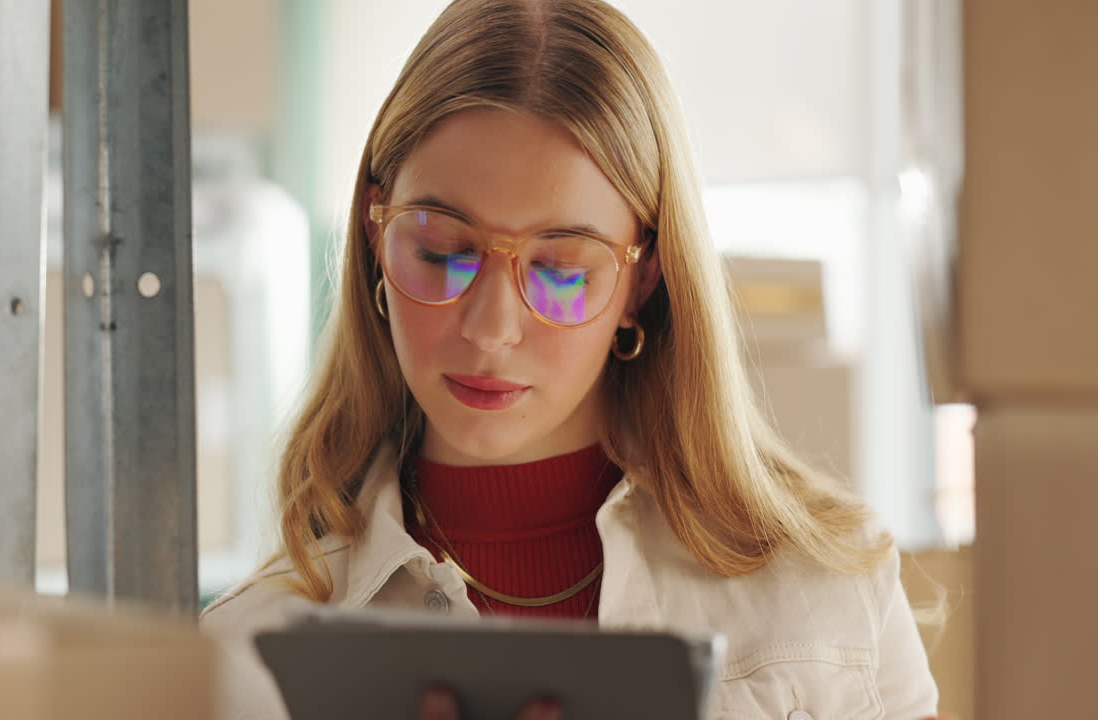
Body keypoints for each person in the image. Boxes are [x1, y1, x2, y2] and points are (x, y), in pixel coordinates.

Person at [201, 0, 939, 718]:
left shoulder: (829, 594)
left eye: (560, 270)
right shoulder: (245, 656)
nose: (492, 328)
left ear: (641, 279)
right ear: (374, 235)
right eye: (441, 251)